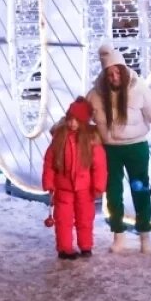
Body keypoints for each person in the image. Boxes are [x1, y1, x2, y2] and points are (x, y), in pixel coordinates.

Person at [89, 43, 151, 253]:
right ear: (104, 75)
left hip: (136, 148)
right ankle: (118, 235)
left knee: (140, 189)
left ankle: (145, 236)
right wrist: (62, 127)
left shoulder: (139, 88)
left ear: (123, 69)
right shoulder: (95, 94)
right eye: (109, 74)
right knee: (113, 192)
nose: (114, 78)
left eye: (117, 72)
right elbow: (78, 115)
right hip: (110, 150)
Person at [42, 97, 108, 260]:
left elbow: (99, 165)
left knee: (85, 218)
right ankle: (64, 248)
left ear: (83, 121)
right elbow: (50, 161)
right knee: (63, 219)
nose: (72, 123)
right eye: (70, 119)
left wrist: (98, 185)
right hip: (63, 187)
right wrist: (49, 181)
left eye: (76, 120)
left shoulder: (92, 139)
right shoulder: (60, 137)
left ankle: (86, 246)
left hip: (85, 188)